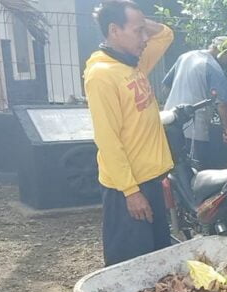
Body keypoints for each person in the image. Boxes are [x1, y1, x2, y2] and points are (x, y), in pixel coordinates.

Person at [85, 1, 174, 266]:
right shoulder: (101, 76)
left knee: (157, 259)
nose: (145, 38)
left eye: (143, 30)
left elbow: (165, 34)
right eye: (137, 31)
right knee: (130, 265)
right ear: (114, 30)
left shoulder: (133, 64)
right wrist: (131, 192)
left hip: (152, 180)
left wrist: (141, 22)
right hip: (128, 188)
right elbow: (107, 140)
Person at [162, 36, 227, 170]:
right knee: (195, 173)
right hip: (194, 129)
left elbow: (166, 86)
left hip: (169, 123)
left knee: (169, 170)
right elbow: (222, 104)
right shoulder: (213, 67)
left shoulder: (185, 56)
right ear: (222, 52)